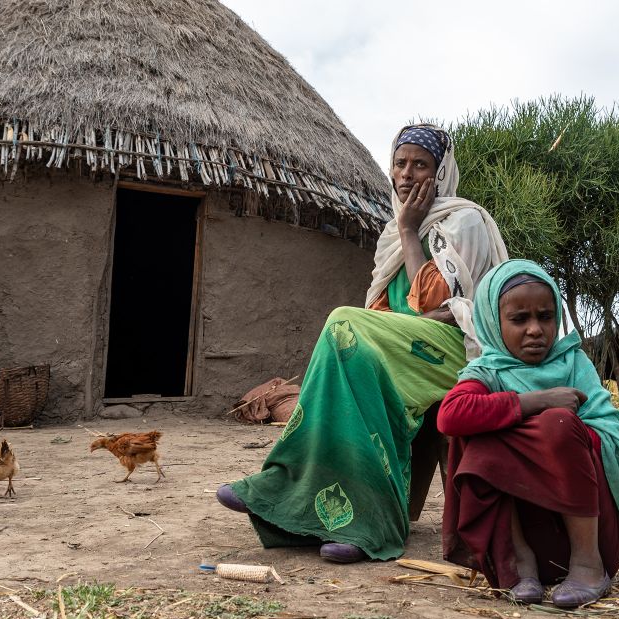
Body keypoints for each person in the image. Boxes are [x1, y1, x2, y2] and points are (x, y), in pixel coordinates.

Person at [216, 124, 509, 563]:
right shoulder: (391, 232)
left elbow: (437, 300)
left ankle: (283, 484)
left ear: (442, 172)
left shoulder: (464, 221)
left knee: (342, 322)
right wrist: (405, 238)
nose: (407, 174)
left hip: (454, 351)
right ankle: (354, 521)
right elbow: (387, 312)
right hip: (404, 347)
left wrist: (412, 231)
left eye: (421, 165)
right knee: (348, 355)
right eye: (400, 163)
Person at [437, 260, 619, 607]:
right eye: (519, 319)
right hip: (523, 535)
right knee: (480, 427)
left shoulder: (573, 364)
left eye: (545, 317)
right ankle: (519, 562)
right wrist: (536, 401)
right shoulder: (487, 370)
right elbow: (450, 416)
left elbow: (609, 433)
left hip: (588, 533)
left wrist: (551, 425)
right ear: (492, 323)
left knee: (556, 424)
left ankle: (588, 566)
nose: (534, 330)